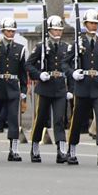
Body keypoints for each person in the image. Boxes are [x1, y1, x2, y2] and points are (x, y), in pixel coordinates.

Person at [67, 9, 98, 166]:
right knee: (78, 119)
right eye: (91, 23)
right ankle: (71, 150)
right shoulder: (78, 42)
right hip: (82, 85)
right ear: (85, 23)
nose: (94, 26)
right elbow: (65, 63)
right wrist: (73, 73)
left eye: (96, 23)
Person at [26, 15, 72, 164]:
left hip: (59, 87)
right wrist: (39, 74)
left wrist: (70, 87)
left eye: (60, 29)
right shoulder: (41, 46)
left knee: (59, 119)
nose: (58, 32)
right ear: (49, 29)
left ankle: (61, 149)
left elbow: (71, 67)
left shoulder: (66, 47)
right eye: (55, 29)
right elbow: (29, 64)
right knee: (40, 119)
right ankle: (34, 147)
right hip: (45, 87)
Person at [0, 18, 27, 162]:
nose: (10, 33)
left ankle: (13, 150)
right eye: (8, 31)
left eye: (13, 31)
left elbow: (22, 72)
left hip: (13, 87)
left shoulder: (20, 49)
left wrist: (24, 89)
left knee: (14, 119)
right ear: (2, 31)